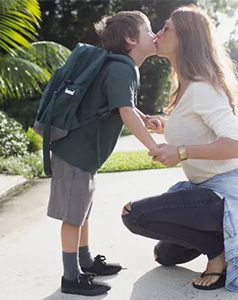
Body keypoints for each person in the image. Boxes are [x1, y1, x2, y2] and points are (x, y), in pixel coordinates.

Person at [122, 5, 238, 292]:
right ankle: (232, 241)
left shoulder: (203, 88)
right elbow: (200, 128)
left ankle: (220, 252)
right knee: (164, 256)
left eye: (167, 28)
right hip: (205, 192)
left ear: (186, 39)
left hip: (228, 195)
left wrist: (180, 152)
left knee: (134, 215)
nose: (158, 33)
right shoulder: (186, 86)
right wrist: (166, 126)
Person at [47, 11, 161, 296]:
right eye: (149, 30)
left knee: (83, 210)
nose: (155, 34)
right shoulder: (122, 68)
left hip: (83, 153)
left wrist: (144, 117)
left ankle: (84, 261)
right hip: (75, 151)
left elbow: (125, 105)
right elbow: (124, 112)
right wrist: (154, 147)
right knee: (74, 216)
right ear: (131, 39)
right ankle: (71, 278)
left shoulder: (121, 66)